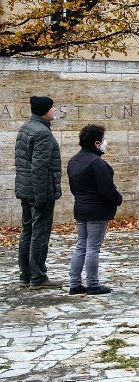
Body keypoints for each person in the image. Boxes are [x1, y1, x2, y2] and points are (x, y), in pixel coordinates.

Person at [67, 124, 123, 295]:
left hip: (81, 207)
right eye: (104, 139)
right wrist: (118, 199)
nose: (106, 142)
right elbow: (106, 189)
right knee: (92, 248)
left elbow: (73, 188)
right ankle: (92, 284)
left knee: (81, 246)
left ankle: (75, 283)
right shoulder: (97, 163)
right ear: (97, 143)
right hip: (97, 210)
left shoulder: (73, 161)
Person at [15, 96, 62, 289]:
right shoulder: (42, 133)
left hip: (26, 189)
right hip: (39, 192)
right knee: (39, 234)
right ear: (44, 111)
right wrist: (42, 196)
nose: (54, 110)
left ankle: (25, 275)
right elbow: (39, 167)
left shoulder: (26, 128)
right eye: (52, 108)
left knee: (27, 232)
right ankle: (38, 277)